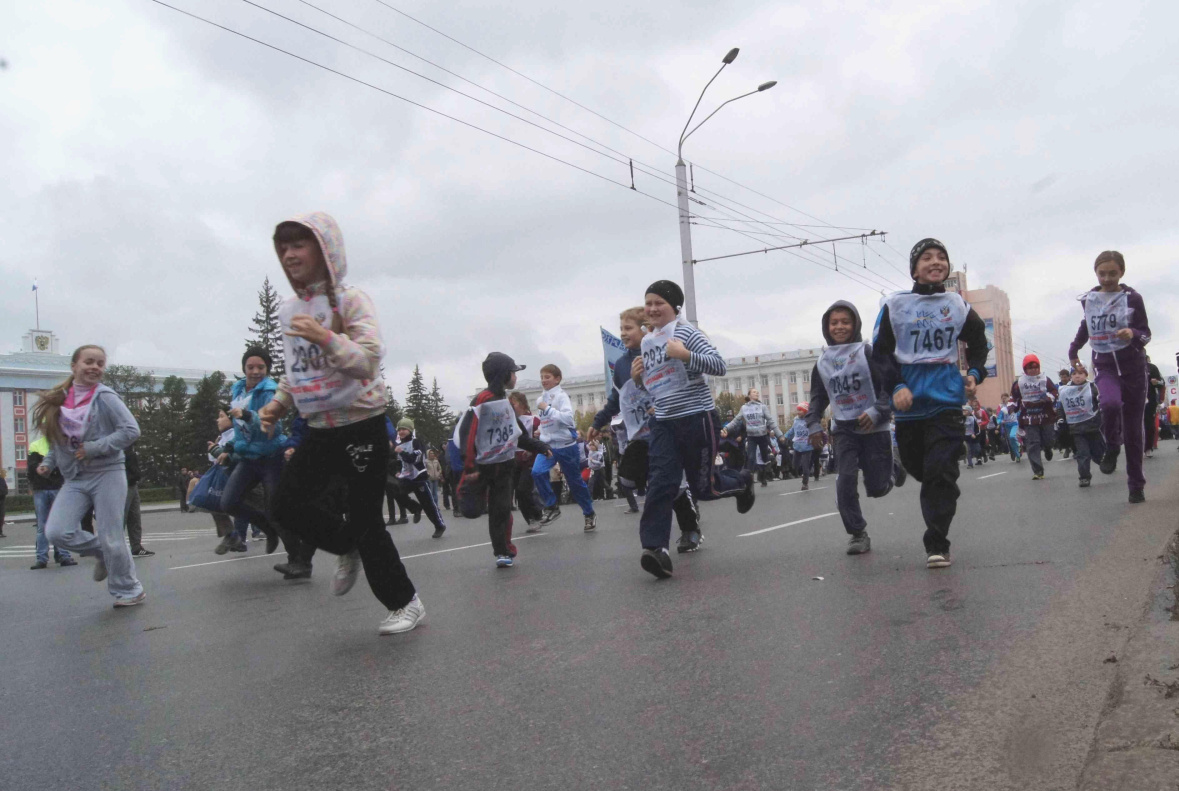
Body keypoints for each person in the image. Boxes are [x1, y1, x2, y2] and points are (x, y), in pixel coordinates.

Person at [259, 212, 424, 636]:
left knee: (367, 517)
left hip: (360, 423)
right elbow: (296, 370)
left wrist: (325, 336)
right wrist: (278, 404)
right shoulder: (291, 309)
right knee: (285, 505)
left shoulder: (351, 302)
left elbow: (368, 359)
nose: (290, 254)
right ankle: (343, 544)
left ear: (325, 250)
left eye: (300, 244)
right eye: (285, 246)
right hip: (318, 426)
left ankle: (405, 603)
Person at [870, 238, 988, 569]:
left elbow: (979, 342)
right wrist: (896, 386)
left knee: (939, 473)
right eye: (927, 257)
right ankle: (942, 477)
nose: (935, 262)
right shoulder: (895, 306)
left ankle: (937, 542)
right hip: (909, 406)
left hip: (947, 401)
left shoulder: (957, 304)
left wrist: (975, 374)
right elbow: (879, 353)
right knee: (922, 468)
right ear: (914, 268)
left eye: (941, 257)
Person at [634, 280, 754, 579]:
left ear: (674, 306)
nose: (652, 309)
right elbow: (659, 385)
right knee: (661, 482)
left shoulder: (686, 333)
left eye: (658, 303)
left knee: (704, 488)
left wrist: (686, 355)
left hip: (697, 419)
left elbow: (718, 365)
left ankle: (741, 482)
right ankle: (655, 549)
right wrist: (639, 379)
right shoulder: (648, 342)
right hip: (663, 421)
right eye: (648, 303)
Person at [33, 344, 146, 606]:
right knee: (56, 531)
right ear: (74, 366)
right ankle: (102, 554)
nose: (94, 367)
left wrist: (94, 448)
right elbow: (59, 440)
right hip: (75, 477)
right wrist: (49, 462)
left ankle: (129, 590)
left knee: (112, 536)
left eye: (100, 363)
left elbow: (131, 430)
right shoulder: (61, 399)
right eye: (88, 362)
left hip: (108, 472)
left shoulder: (105, 397)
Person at [802, 300, 899, 555]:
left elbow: (888, 385)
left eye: (845, 321)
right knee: (845, 481)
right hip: (844, 429)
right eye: (834, 322)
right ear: (826, 326)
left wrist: (879, 411)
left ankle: (894, 468)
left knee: (877, 488)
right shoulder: (822, 361)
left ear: (855, 323)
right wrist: (813, 424)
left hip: (874, 428)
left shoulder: (868, 352)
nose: (840, 327)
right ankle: (857, 533)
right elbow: (817, 397)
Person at [1067, 250, 1152, 503]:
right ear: (1096, 273)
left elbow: (1146, 332)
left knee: (1134, 431)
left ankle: (1136, 485)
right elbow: (1087, 325)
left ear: (1121, 272)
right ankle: (1112, 446)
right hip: (1105, 365)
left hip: (1134, 369)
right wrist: (1074, 350)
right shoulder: (1090, 299)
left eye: (1112, 273)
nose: (1106, 279)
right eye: (1102, 273)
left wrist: (1133, 334)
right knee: (1109, 403)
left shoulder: (1133, 298)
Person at [457, 352, 551, 567]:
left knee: (501, 509)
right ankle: (464, 488)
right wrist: (469, 463)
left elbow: (517, 434)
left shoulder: (505, 403)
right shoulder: (482, 400)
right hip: (482, 465)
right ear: (503, 374)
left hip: (505, 467)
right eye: (513, 372)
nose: (516, 377)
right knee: (471, 510)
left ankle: (503, 551)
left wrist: (540, 446)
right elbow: (467, 431)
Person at [217, 348, 289, 565]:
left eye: (261, 367)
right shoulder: (238, 390)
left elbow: (275, 429)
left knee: (277, 509)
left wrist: (248, 415)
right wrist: (228, 448)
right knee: (228, 502)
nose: (255, 371)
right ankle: (267, 528)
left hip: (271, 456)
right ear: (244, 368)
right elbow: (241, 430)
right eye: (251, 367)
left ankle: (299, 560)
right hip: (248, 457)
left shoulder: (270, 391)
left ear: (267, 370)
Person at [530, 364, 597, 531]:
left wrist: (548, 409)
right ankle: (552, 506)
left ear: (557, 379)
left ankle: (589, 513)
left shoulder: (561, 396)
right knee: (537, 471)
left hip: (567, 446)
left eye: (547, 377)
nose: (543, 380)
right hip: (548, 446)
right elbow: (548, 421)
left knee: (575, 482)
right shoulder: (541, 398)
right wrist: (541, 431)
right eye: (542, 377)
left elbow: (568, 420)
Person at [391, 417, 447, 538]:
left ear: (410, 430)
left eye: (404, 429)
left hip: (419, 476)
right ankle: (415, 508)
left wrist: (401, 452)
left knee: (428, 504)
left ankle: (439, 525)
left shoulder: (416, 442)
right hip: (406, 477)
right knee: (396, 491)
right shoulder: (399, 445)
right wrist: (396, 471)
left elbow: (413, 459)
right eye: (399, 429)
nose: (401, 432)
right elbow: (398, 462)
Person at [26, 437, 77, 569]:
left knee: (59, 523)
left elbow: (65, 464)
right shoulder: (35, 445)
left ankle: (62, 555)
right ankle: (42, 558)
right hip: (42, 488)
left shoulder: (60, 443)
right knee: (42, 525)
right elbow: (32, 468)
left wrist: (46, 468)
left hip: (56, 487)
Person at [721, 389, 786, 487]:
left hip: (762, 436)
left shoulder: (762, 407)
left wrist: (780, 435)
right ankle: (749, 480)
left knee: (764, 458)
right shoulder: (744, 408)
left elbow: (771, 421)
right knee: (751, 457)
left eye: (757, 392)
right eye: (754, 392)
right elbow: (735, 421)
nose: (757, 393)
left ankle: (763, 478)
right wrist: (725, 428)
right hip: (751, 437)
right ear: (749, 395)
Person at [1010, 354, 1059, 480]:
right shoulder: (1019, 383)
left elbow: (1054, 392)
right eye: (1030, 368)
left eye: (1035, 367)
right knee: (1032, 443)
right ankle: (1038, 471)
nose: (1033, 370)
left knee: (1048, 439)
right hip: (1029, 417)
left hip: (1045, 414)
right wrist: (1012, 407)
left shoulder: (1045, 379)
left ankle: (1048, 448)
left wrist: (1048, 398)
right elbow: (1014, 398)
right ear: (1025, 369)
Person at [1058, 366, 1105, 487]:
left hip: (1093, 427)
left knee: (1097, 453)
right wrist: (1060, 418)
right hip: (1076, 429)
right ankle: (1084, 477)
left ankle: (1106, 462)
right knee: (1082, 454)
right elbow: (1061, 406)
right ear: (1070, 376)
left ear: (1085, 375)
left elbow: (1101, 402)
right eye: (1074, 374)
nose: (1077, 376)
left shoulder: (1093, 388)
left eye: (1080, 373)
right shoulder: (1065, 391)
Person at [507, 391, 544, 527]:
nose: (511, 407)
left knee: (524, 489)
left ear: (522, 404)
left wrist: (534, 442)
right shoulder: (508, 420)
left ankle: (537, 514)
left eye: (513, 404)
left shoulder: (533, 420)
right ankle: (530, 519)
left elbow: (542, 436)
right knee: (517, 492)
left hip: (530, 461)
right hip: (513, 461)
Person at [124, 444, 153, 557]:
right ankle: (114, 548)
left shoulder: (129, 446)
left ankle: (136, 547)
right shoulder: (119, 445)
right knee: (121, 518)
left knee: (135, 517)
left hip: (132, 485)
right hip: (123, 485)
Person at [784, 404, 815, 490]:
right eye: (797, 410)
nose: (798, 412)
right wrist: (785, 436)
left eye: (800, 410)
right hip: (797, 446)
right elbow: (792, 430)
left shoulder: (810, 420)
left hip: (807, 447)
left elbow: (815, 430)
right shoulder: (796, 420)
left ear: (805, 411)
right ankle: (800, 473)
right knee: (794, 465)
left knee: (805, 466)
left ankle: (805, 483)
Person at [1145, 356, 1163, 456]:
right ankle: (1137, 448)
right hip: (1133, 400)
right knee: (1135, 425)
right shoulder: (1130, 366)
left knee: (1149, 424)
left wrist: (1156, 382)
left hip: (1150, 400)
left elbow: (1162, 382)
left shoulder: (1152, 368)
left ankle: (1148, 447)